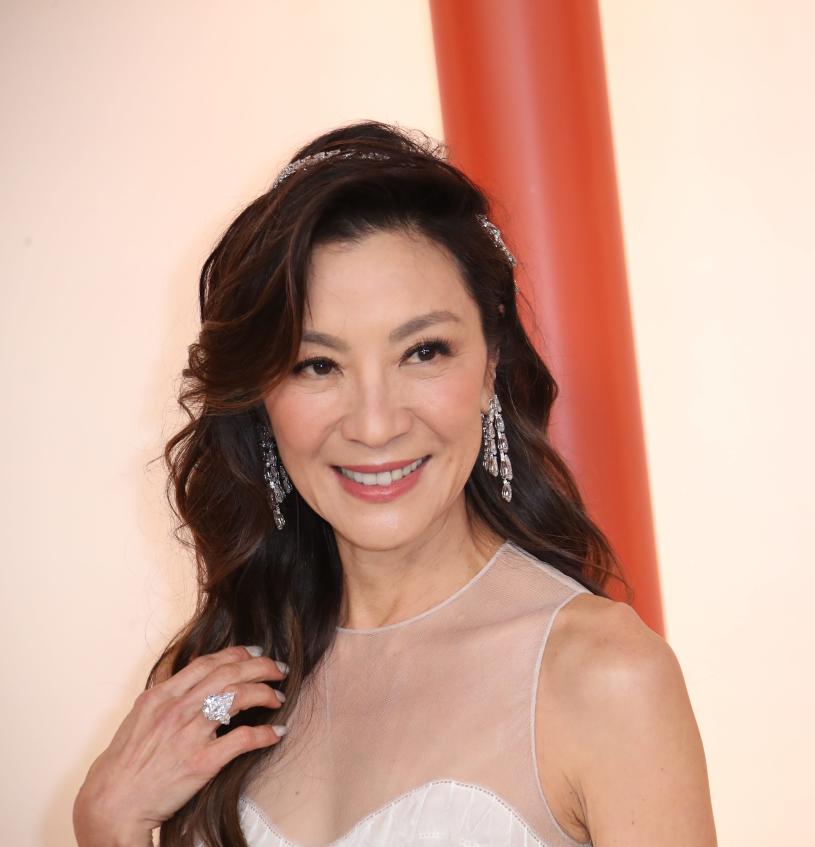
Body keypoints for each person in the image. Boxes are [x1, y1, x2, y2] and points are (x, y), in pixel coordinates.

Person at [72, 122, 716, 847]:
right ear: (260, 397)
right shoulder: (210, 681)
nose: (374, 424)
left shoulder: (604, 676)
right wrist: (108, 825)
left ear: (490, 366)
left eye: (423, 351)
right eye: (317, 364)